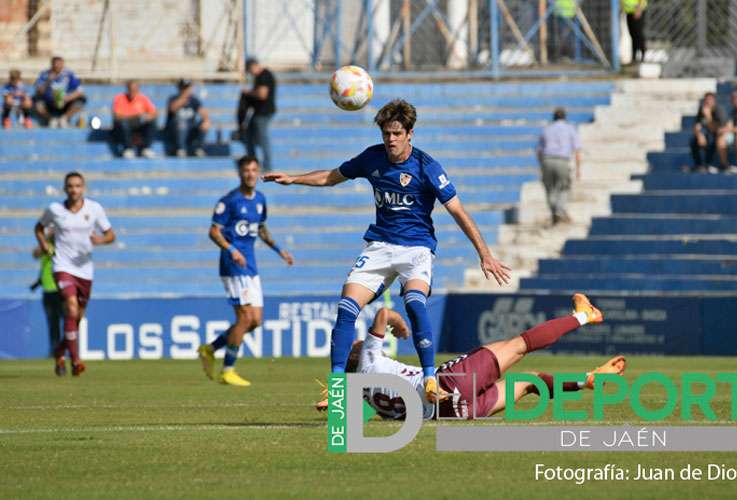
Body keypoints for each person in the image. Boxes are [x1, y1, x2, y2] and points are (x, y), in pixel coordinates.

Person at [264, 99, 511, 408]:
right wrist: (293, 178)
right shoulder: (372, 158)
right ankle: (337, 386)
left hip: (417, 249)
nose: (391, 139)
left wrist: (484, 253)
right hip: (380, 246)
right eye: (386, 133)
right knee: (346, 307)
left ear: (410, 133)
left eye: (396, 133)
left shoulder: (427, 167)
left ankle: (431, 379)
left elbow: (458, 211)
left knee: (415, 304)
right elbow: (331, 176)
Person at [344, 294, 624, 420]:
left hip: (452, 413)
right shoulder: (368, 359)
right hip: (450, 383)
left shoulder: (369, 398)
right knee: (518, 345)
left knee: (530, 382)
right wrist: (400, 325)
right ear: (359, 353)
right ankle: (584, 315)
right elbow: (382, 314)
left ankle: (585, 380)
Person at [197, 156, 294, 387]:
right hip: (233, 266)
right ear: (240, 173)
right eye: (246, 170)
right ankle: (227, 371)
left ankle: (210, 349)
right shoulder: (229, 201)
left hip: (250, 266)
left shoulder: (260, 200)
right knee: (244, 317)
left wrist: (280, 251)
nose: (250, 174)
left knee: (255, 321)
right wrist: (231, 249)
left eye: (253, 170)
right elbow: (213, 232)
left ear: (258, 172)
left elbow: (260, 229)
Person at [34, 172, 115, 376]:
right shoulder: (55, 210)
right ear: (65, 188)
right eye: (70, 186)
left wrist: (101, 241)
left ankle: (60, 353)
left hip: (85, 271)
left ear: (83, 188)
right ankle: (76, 361)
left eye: (78, 186)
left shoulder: (94, 209)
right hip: (62, 266)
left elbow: (111, 235)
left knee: (76, 318)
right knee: (70, 308)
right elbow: (39, 228)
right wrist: (43, 243)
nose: (74, 189)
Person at [537, 107, 581, 225]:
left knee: (550, 187)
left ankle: (553, 209)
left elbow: (539, 150)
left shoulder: (546, 129)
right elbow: (577, 150)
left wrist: (541, 164)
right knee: (564, 186)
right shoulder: (570, 129)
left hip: (547, 160)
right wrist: (578, 169)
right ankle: (559, 210)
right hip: (562, 160)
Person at [238, 57, 276, 170]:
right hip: (258, 113)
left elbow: (262, 94)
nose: (250, 73)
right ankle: (252, 163)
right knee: (249, 137)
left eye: (250, 70)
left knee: (263, 139)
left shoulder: (264, 75)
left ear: (253, 66)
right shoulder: (260, 77)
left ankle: (267, 166)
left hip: (263, 113)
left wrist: (248, 92)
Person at [30, 231, 62, 358]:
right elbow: (35, 254)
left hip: (60, 290)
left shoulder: (62, 246)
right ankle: (54, 351)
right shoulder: (45, 246)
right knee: (52, 324)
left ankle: (68, 349)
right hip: (47, 291)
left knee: (67, 322)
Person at [33, 56, 87, 128]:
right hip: (50, 102)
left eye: (59, 64)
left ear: (63, 64)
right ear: (52, 64)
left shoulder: (69, 74)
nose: (57, 66)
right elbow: (39, 90)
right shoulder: (45, 74)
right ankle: (51, 120)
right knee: (37, 102)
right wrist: (48, 80)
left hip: (66, 102)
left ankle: (64, 119)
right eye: (55, 64)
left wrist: (68, 98)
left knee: (81, 100)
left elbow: (80, 90)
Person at [112, 80, 158, 159]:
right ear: (127, 89)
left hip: (139, 126)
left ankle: (146, 148)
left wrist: (148, 117)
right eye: (131, 89)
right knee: (123, 123)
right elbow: (117, 117)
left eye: (135, 89)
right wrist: (134, 117)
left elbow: (154, 113)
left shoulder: (143, 98)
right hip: (123, 128)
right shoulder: (119, 98)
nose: (133, 92)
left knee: (152, 121)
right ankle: (128, 149)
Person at [165, 79, 211, 157]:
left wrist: (206, 121)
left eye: (187, 87)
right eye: (184, 88)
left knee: (206, 124)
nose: (186, 90)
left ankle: (199, 149)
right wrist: (183, 99)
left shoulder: (194, 100)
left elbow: (204, 114)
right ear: (179, 88)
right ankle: (181, 149)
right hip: (175, 129)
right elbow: (172, 109)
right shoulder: (173, 98)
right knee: (181, 123)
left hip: (190, 128)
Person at [689, 93, 726, 173]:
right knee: (693, 141)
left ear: (714, 101)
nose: (707, 102)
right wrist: (699, 135)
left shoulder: (718, 110)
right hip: (705, 133)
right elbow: (696, 125)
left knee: (711, 139)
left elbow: (716, 129)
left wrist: (708, 116)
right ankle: (698, 165)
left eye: (710, 100)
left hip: (717, 134)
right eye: (706, 100)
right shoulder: (701, 110)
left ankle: (708, 164)